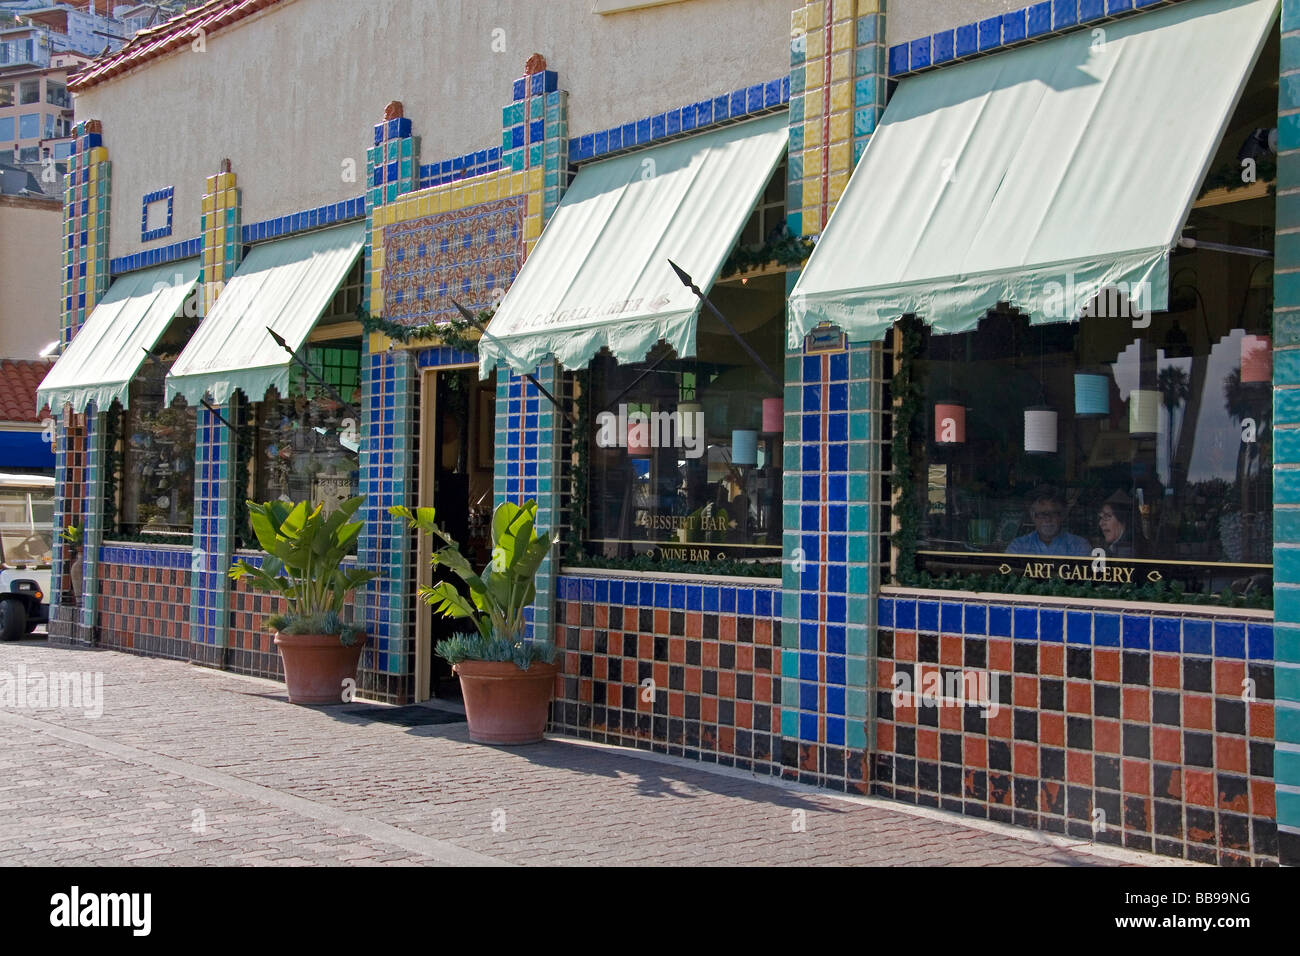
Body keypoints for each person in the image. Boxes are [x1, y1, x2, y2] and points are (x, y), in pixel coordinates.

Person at [1007, 487, 1090, 556]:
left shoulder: (1079, 545)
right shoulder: (1018, 546)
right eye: (1042, 514)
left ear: (1062, 515)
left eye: (1053, 513)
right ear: (1032, 516)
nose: (1048, 519)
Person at [1097, 490, 1141, 558]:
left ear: (1123, 519)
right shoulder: (1112, 547)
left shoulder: (1127, 552)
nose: (1100, 523)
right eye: (1101, 517)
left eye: (1107, 516)